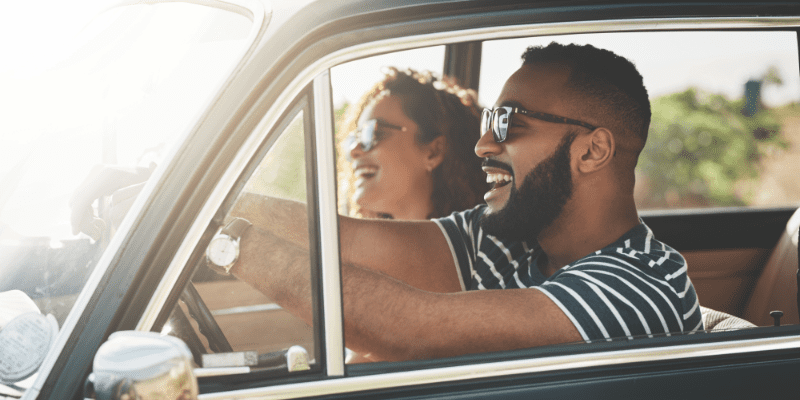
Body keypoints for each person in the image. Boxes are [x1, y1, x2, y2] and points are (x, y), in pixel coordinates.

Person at [230, 42, 704, 361]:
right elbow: (347, 242)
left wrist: (232, 246)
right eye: (486, 120)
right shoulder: (510, 238)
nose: (483, 145)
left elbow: (412, 328)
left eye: (507, 123)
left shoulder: (639, 292)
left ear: (592, 150)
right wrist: (222, 210)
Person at [338, 67, 488, 220]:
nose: (354, 150)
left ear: (433, 151)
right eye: (354, 139)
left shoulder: (475, 243)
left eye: (372, 133)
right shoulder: (358, 243)